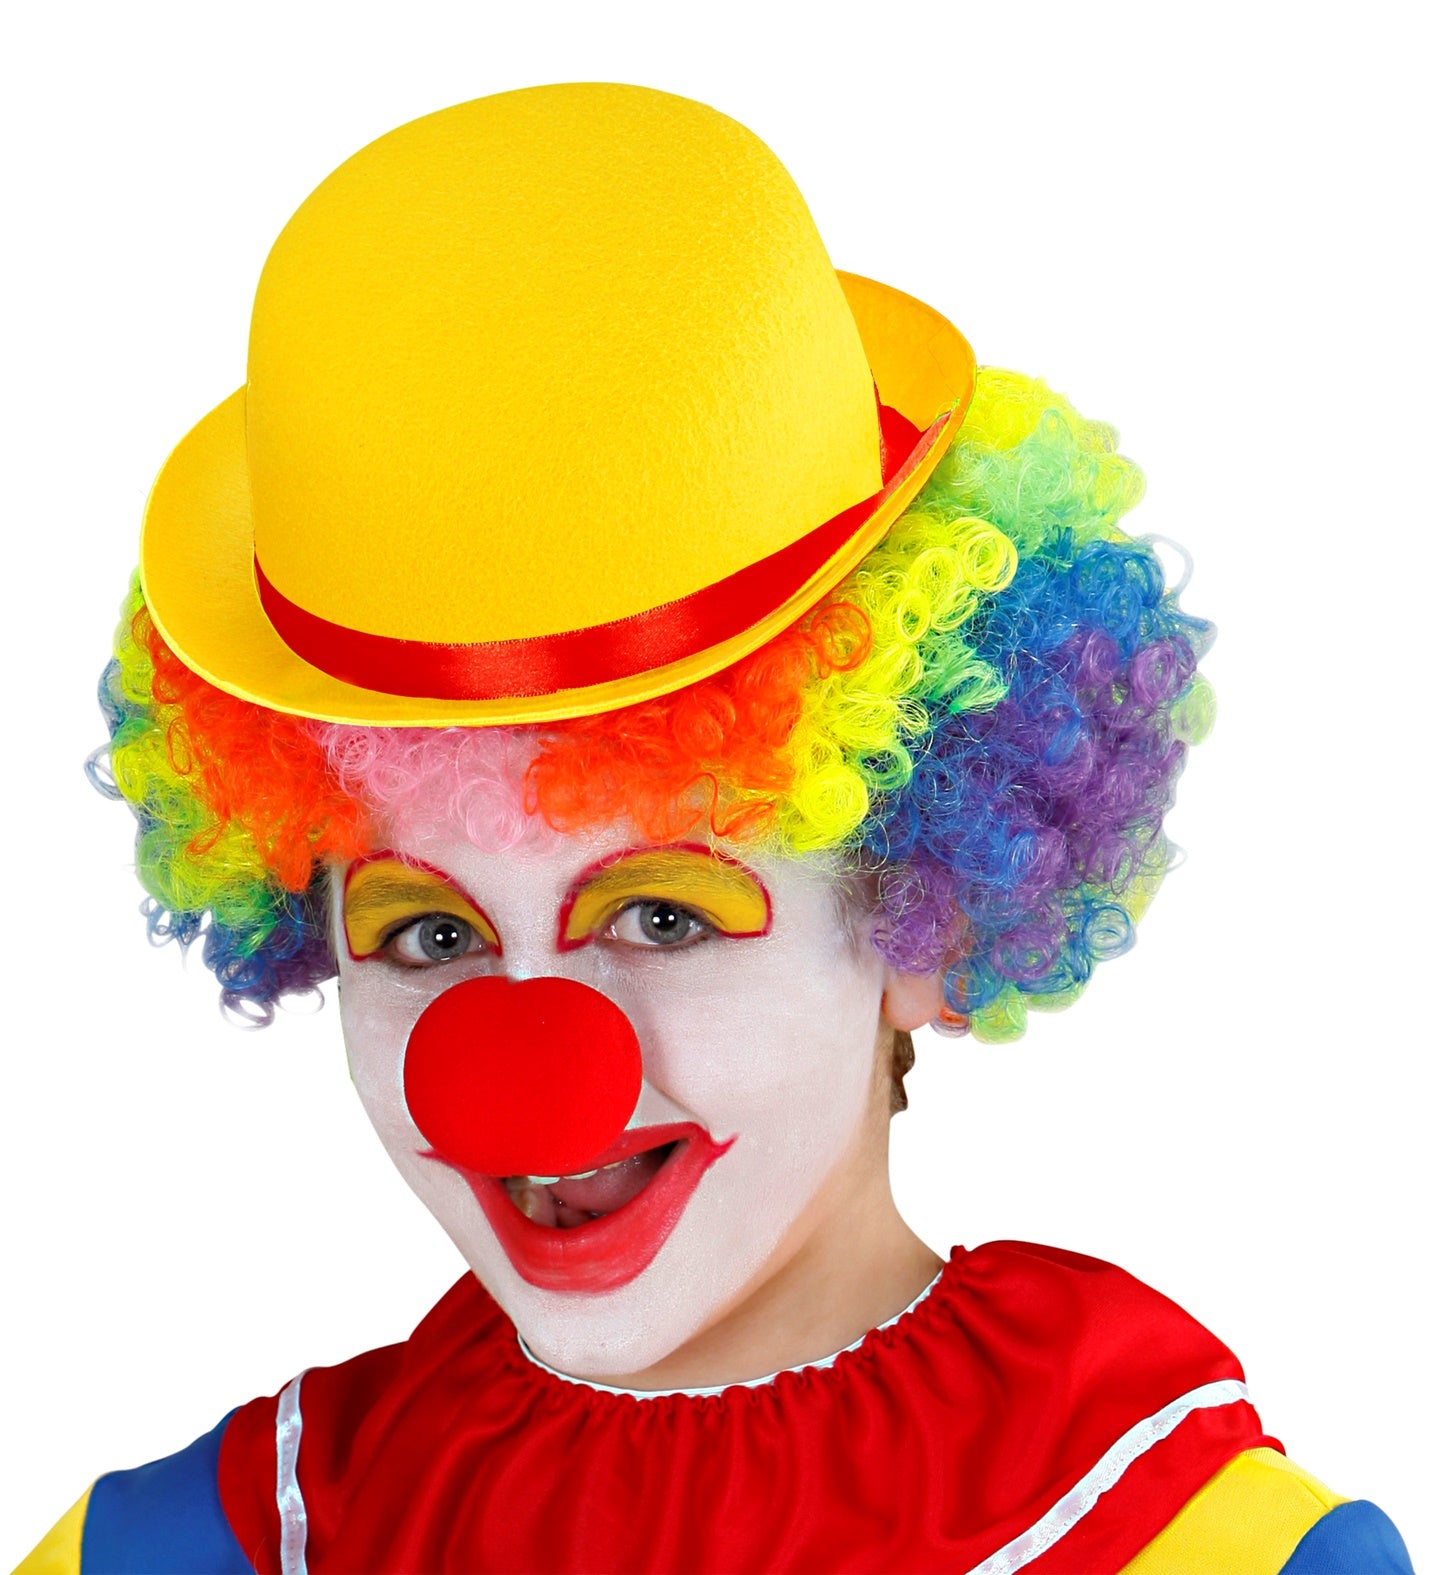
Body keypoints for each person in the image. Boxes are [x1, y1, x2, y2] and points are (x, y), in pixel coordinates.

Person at [19, 83, 1413, 1574]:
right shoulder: (192, 1549)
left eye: (661, 916)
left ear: (920, 919)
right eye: (427, 934)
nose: (523, 1079)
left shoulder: (1190, 1552)